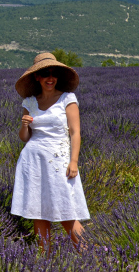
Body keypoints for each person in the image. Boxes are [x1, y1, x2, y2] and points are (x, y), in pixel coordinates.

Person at [10, 52, 89, 253]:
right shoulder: (29, 102)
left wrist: (74, 161)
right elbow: (25, 137)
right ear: (37, 77)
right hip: (33, 160)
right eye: (45, 74)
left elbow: (75, 132)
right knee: (39, 211)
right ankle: (44, 259)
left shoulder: (67, 99)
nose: (50, 78)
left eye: (54, 74)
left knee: (66, 211)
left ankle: (89, 255)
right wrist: (24, 126)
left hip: (59, 161)